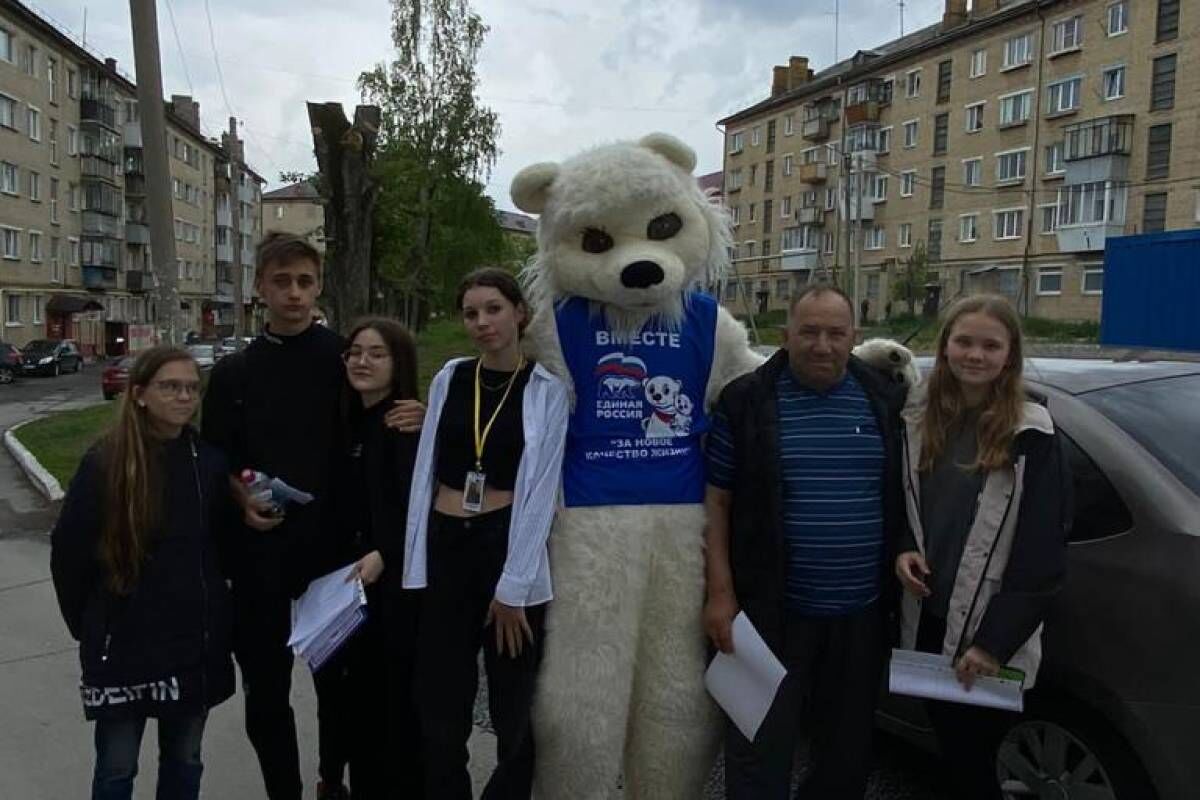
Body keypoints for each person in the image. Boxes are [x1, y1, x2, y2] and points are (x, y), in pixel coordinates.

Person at [201, 232, 422, 800]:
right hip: (259, 564)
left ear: (319, 285)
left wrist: (419, 412)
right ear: (258, 288)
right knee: (267, 695)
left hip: (335, 560)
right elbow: (217, 456)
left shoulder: (342, 359)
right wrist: (239, 495)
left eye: (304, 281)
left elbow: (382, 409)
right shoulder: (232, 376)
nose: (294, 294)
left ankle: (331, 779)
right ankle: (285, 791)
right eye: (281, 282)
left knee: (341, 693)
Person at [703, 284, 909, 799]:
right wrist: (721, 595)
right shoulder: (746, 399)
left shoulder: (882, 399)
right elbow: (717, 502)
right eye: (809, 332)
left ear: (854, 337)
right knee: (758, 749)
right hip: (770, 613)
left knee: (845, 756)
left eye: (836, 334)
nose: (822, 345)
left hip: (860, 615)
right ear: (784, 334)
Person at [894, 294, 1070, 799]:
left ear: (1009, 355)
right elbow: (901, 501)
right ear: (945, 345)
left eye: (990, 345)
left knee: (973, 759)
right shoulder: (915, 418)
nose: (975, 354)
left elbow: (1043, 557)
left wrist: (993, 643)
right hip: (928, 616)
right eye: (964, 341)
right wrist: (904, 547)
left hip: (986, 633)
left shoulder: (1032, 435)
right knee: (951, 750)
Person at [403, 267, 569, 800]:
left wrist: (513, 585)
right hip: (447, 542)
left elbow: (541, 491)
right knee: (441, 697)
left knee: (513, 701)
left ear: (519, 312)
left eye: (493, 308)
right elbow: (425, 473)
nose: (482, 322)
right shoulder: (451, 376)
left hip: (507, 545)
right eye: (471, 313)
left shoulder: (546, 390)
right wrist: (417, 567)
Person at [50, 346, 236, 800]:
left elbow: (221, 549)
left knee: (184, 759)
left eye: (192, 388)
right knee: (117, 767)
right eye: (170, 386)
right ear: (139, 394)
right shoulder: (106, 462)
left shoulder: (207, 462)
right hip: (123, 644)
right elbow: (68, 555)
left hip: (191, 644)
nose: (184, 397)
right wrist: (91, 625)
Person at [326, 317, 425, 798]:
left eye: (377, 353)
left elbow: (416, 507)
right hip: (345, 588)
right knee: (354, 709)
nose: (362, 361)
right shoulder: (347, 422)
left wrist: (387, 552)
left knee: (389, 712)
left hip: (390, 592)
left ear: (398, 363)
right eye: (355, 352)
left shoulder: (403, 424)